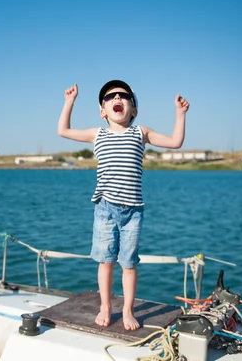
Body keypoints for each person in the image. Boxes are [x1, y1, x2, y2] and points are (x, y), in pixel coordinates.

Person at [57, 80, 189, 330]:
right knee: (105, 261)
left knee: (129, 263)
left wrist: (180, 114)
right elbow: (63, 130)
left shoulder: (141, 132)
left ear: (133, 110)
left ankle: (127, 310)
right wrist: (69, 102)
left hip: (133, 211)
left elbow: (175, 142)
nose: (117, 97)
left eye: (124, 96)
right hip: (105, 208)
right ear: (103, 111)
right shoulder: (98, 134)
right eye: (110, 96)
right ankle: (105, 306)